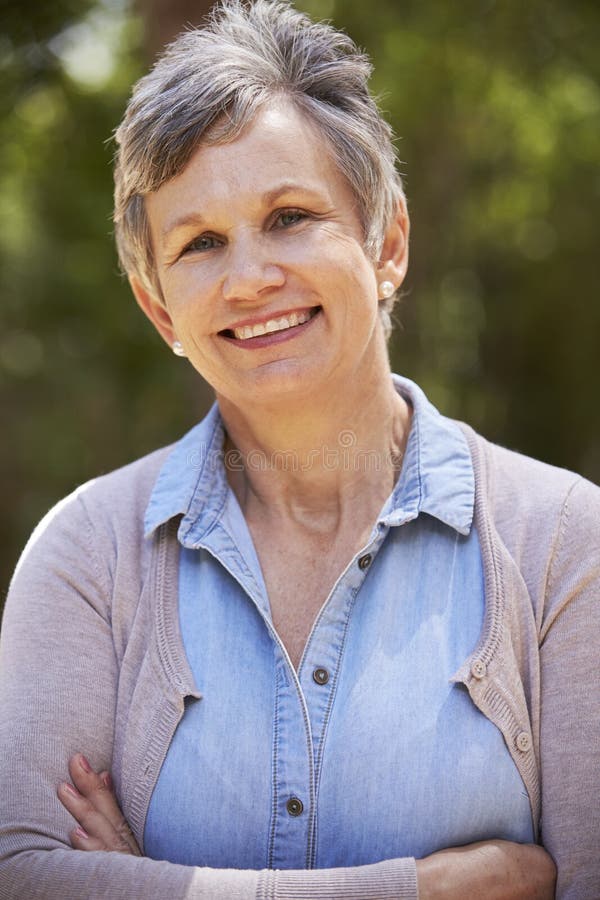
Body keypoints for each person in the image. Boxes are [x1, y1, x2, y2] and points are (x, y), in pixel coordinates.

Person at [0, 1, 597, 897]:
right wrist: (423, 890)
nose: (249, 279)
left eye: (289, 216)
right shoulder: (88, 553)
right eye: (200, 243)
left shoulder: (563, 544)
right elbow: (24, 877)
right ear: (160, 307)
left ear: (386, 242)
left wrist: (150, 883)